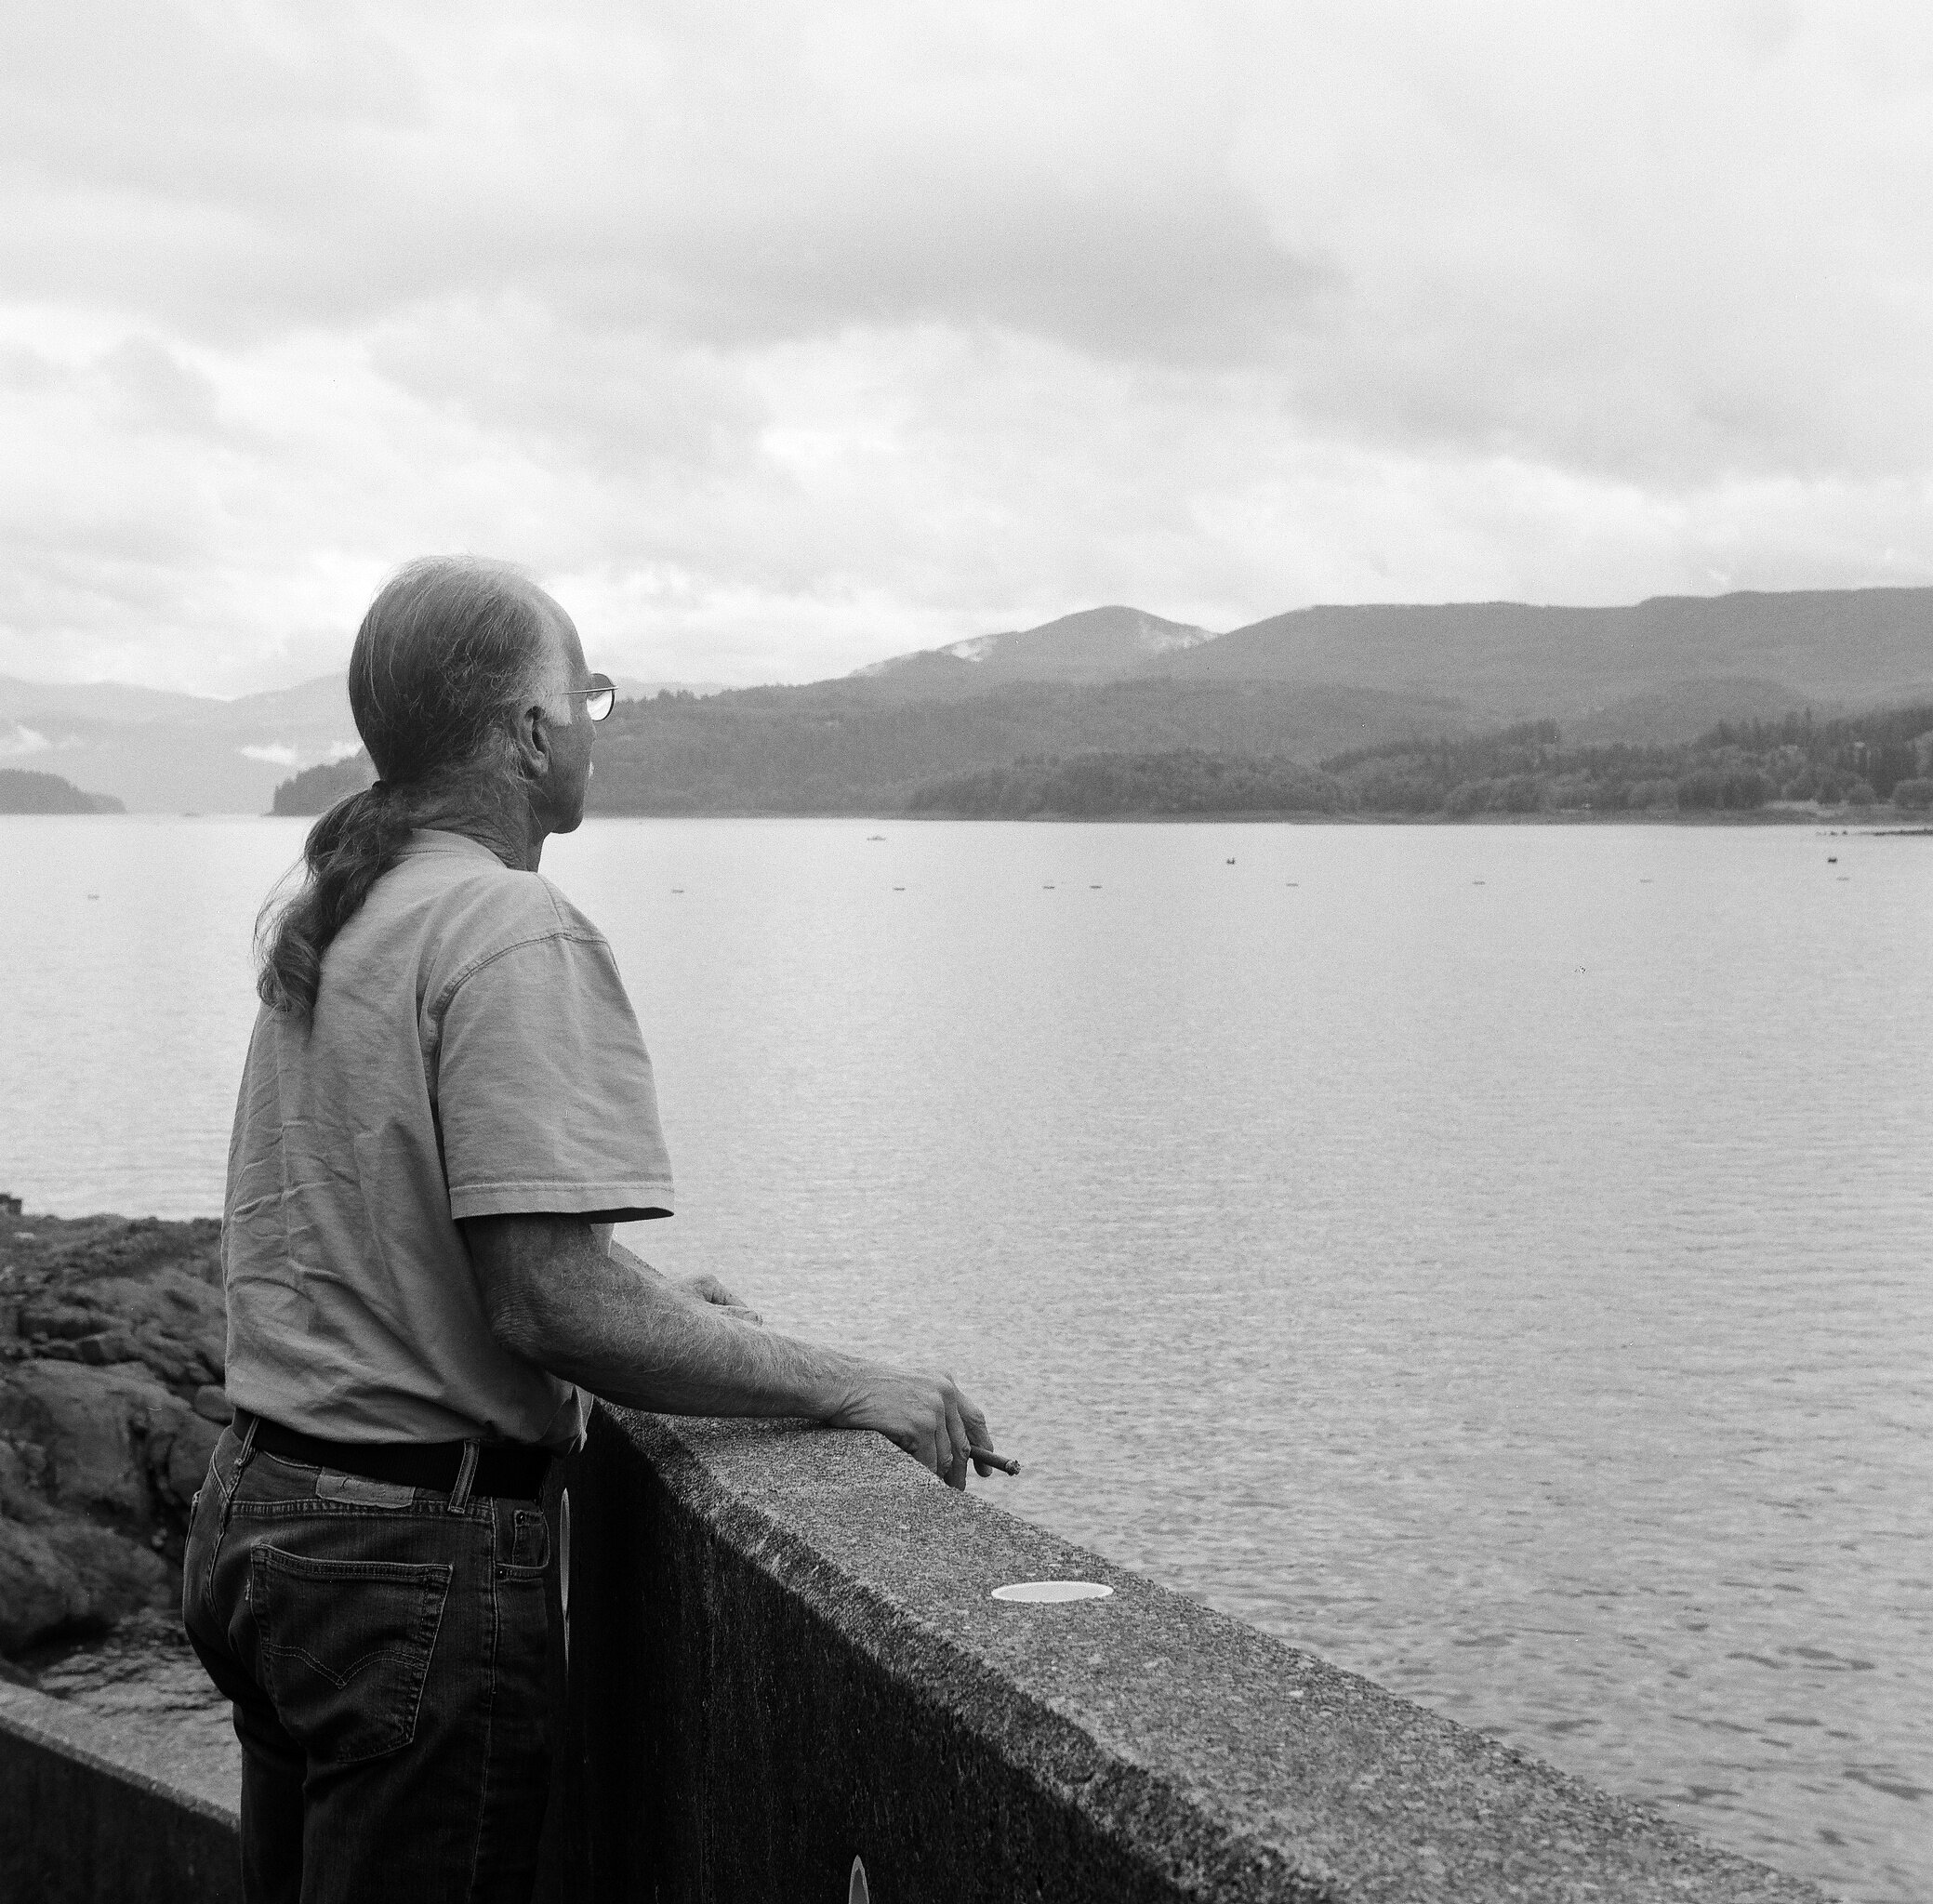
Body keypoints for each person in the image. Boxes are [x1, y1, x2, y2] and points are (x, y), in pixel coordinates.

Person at [181, 556, 993, 1904]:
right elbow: (546, 1299)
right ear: (528, 732)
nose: (598, 723)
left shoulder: (351, 911)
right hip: (400, 1560)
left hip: (259, 1522)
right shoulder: (507, 924)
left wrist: (660, 1296)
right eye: (590, 693)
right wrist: (859, 1382)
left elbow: (393, 1241)